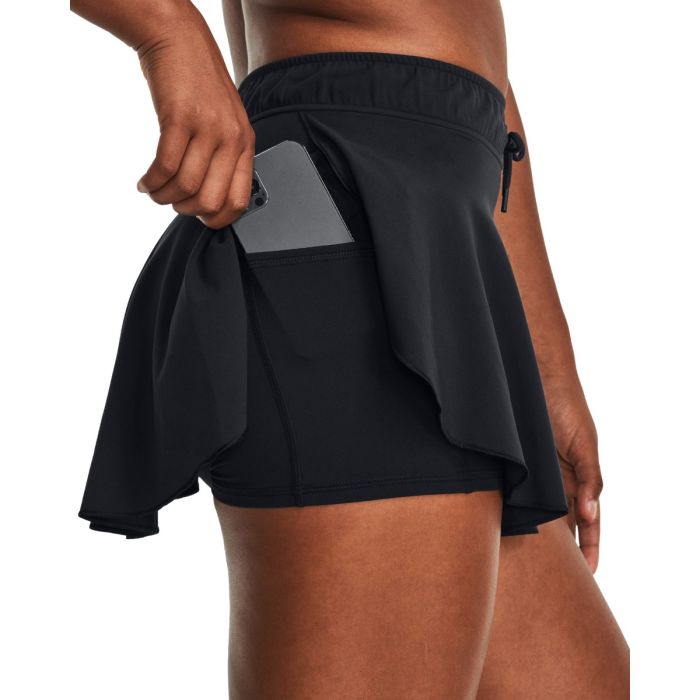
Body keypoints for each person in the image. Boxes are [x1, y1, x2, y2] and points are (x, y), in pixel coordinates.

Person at [72, 0, 630, 697]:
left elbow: (479, 80)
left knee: (581, 678)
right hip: (344, 214)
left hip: (444, 237)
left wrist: (551, 373)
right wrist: (169, 34)